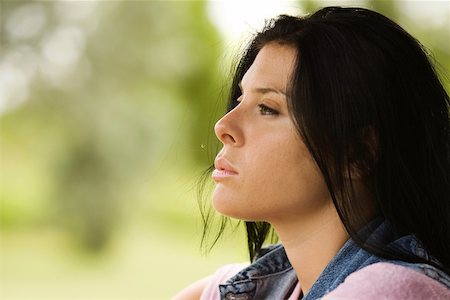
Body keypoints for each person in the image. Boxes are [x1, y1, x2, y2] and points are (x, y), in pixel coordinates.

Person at [174, 6, 450, 299]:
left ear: (358, 154)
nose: (223, 126)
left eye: (268, 108)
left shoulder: (392, 290)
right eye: (241, 98)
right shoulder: (255, 286)